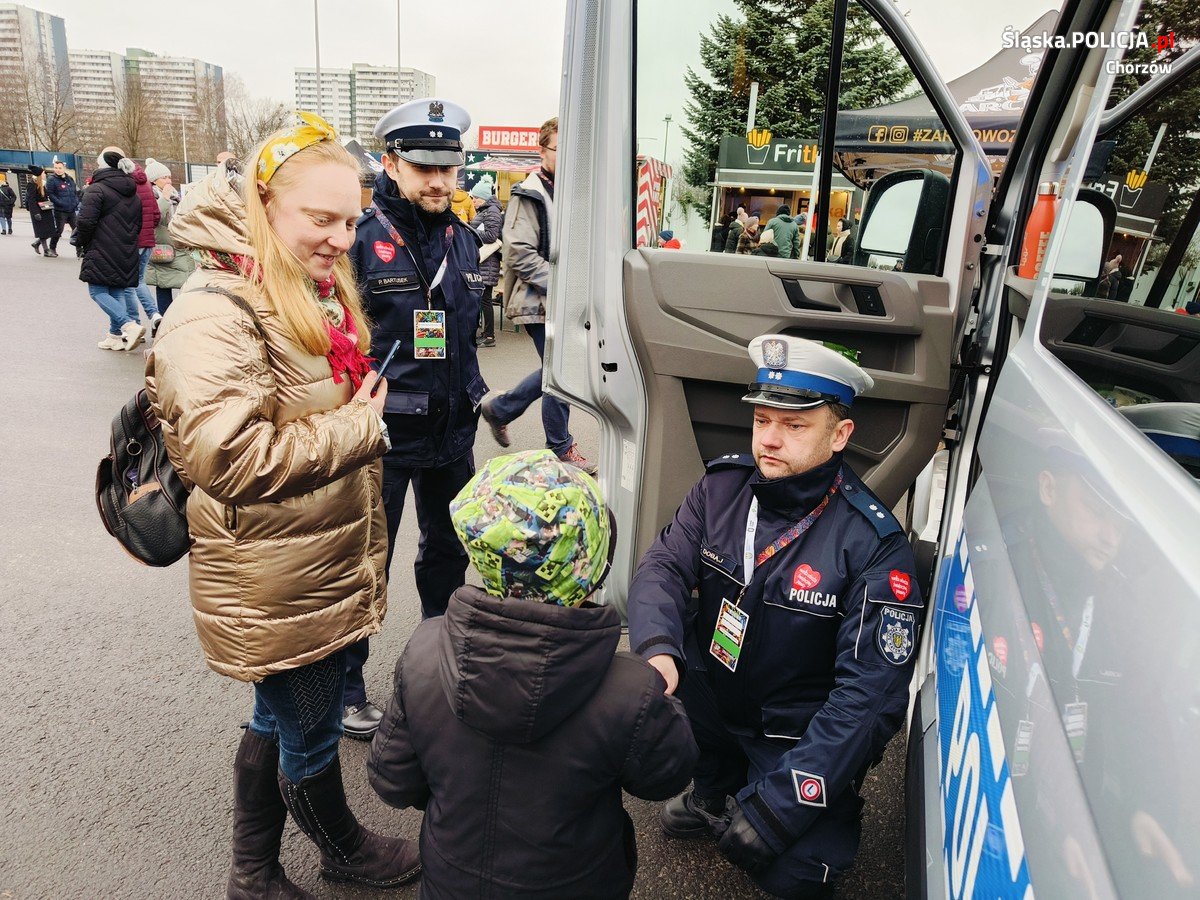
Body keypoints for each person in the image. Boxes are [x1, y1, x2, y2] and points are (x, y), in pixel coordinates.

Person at [147, 113, 420, 896]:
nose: (342, 238)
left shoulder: (296, 283)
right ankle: (345, 851)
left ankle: (252, 871)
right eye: (321, 218)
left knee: (278, 717)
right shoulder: (217, 308)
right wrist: (359, 425)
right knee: (308, 731)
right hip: (275, 573)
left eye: (351, 220)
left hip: (307, 558)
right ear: (264, 204)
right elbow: (228, 458)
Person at [627, 335, 925, 899]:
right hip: (716, 691)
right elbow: (662, 566)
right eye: (763, 420)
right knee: (650, 680)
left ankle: (777, 795)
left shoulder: (873, 544)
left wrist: (778, 812)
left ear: (840, 434)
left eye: (794, 425)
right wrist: (656, 648)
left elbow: (869, 698)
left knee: (795, 874)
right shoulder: (721, 489)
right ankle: (716, 783)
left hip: (792, 729)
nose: (768, 438)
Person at [368, 449, 698, 900]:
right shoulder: (630, 691)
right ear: (592, 565)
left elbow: (392, 778)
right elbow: (666, 776)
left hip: (450, 880)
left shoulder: (425, 652)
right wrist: (664, 701)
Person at [343, 97, 489, 739]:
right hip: (384, 436)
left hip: (452, 434)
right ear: (392, 163)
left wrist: (480, 398)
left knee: (447, 557)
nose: (438, 182)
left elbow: (462, 336)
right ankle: (346, 687)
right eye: (424, 168)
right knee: (365, 560)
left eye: (447, 169)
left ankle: (437, 663)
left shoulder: (465, 240)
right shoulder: (358, 240)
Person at [479, 117, 597, 475]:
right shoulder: (530, 193)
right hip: (538, 300)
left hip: (559, 301)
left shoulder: (568, 192)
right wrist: (566, 285)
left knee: (557, 371)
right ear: (542, 150)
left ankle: (501, 410)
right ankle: (559, 446)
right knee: (560, 372)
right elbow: (519, 254)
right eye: (560, 149)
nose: (568, 157)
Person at [75, 149, 146, 351]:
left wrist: (81, 242)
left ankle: (128, 325)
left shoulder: (96, 189)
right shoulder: (133, 193)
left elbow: (85, 222)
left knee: (97, 291)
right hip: (126, 248)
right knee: (116, 291)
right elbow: (138, 224)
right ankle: (115, 336)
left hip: (101, 246)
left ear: (103, 167)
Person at [143, 158, 194, 315]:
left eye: (169, 177)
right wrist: (164, 198)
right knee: (163, 282)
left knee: (187, 280)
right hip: (163, 245)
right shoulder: (149, 195)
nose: (168, 181)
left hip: (178, 243)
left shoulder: (174, 195)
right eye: (164, 177)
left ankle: (183, 314)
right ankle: (165, 317)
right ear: (153, 180)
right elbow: (154, 217)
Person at [129, 161, 163, 335]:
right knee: (139, 280)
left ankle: (134, 324)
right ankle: (154, 314)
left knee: (128, 284)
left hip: (132, 241)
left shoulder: (127, 185)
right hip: (148, 240)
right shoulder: (147, 185)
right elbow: (156, 215)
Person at [470, 176, 502, 347]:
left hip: (487, 262)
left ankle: (489, 336)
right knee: (482, 299)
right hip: (484, 262)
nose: (473, 200)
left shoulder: (491, 211)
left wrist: (470, 230)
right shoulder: (487, 211)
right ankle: (486, 333)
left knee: (485, 300)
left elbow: (491, 236)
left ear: (482, 198)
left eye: (475, 197)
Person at [46, 159, 81, 256]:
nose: (58, 170)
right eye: (56, 168)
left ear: (64, 168)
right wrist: (60, 203)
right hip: (60, 210)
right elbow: (50, 194)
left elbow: (75, 192)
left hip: (71, 209)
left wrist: (76, 202)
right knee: (59, 230)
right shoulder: (51, 179)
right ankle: (52, 248)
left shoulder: (69, 179)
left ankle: (79, 251)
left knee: (77, 230)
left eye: (60, 168)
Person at [25, 166, 56, 256]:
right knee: (42, 231)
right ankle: (46, 250)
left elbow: (45, 197)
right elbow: (31, 200)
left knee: (50, 230)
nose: (45, 175)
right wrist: (36, 213)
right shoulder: (31, 185)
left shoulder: (42, 184)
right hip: (38, 211)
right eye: (43, 173)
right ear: (39, 175)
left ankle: (37, 243)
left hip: (45, 209)